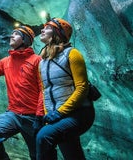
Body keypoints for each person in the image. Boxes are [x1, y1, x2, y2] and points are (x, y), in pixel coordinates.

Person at [0, 25, 44, 160]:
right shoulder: (6, 62)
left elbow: (43, 89)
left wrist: (39, 116)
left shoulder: (37, 60)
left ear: (25, 39)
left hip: (32, 117)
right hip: (13, 114)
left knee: (38, 155)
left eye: (16, 34)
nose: (11, 36)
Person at [36, 18, 95, 160]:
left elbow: (82, 88)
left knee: (44, 137)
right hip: (58, 116)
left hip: (79, 113)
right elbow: (45, 91)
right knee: (73, 156)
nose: (42, 30)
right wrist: (43, 114)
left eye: (47, 27)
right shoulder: (42, 62)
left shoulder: (72, 54)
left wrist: (59, 112)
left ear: (57, 32)